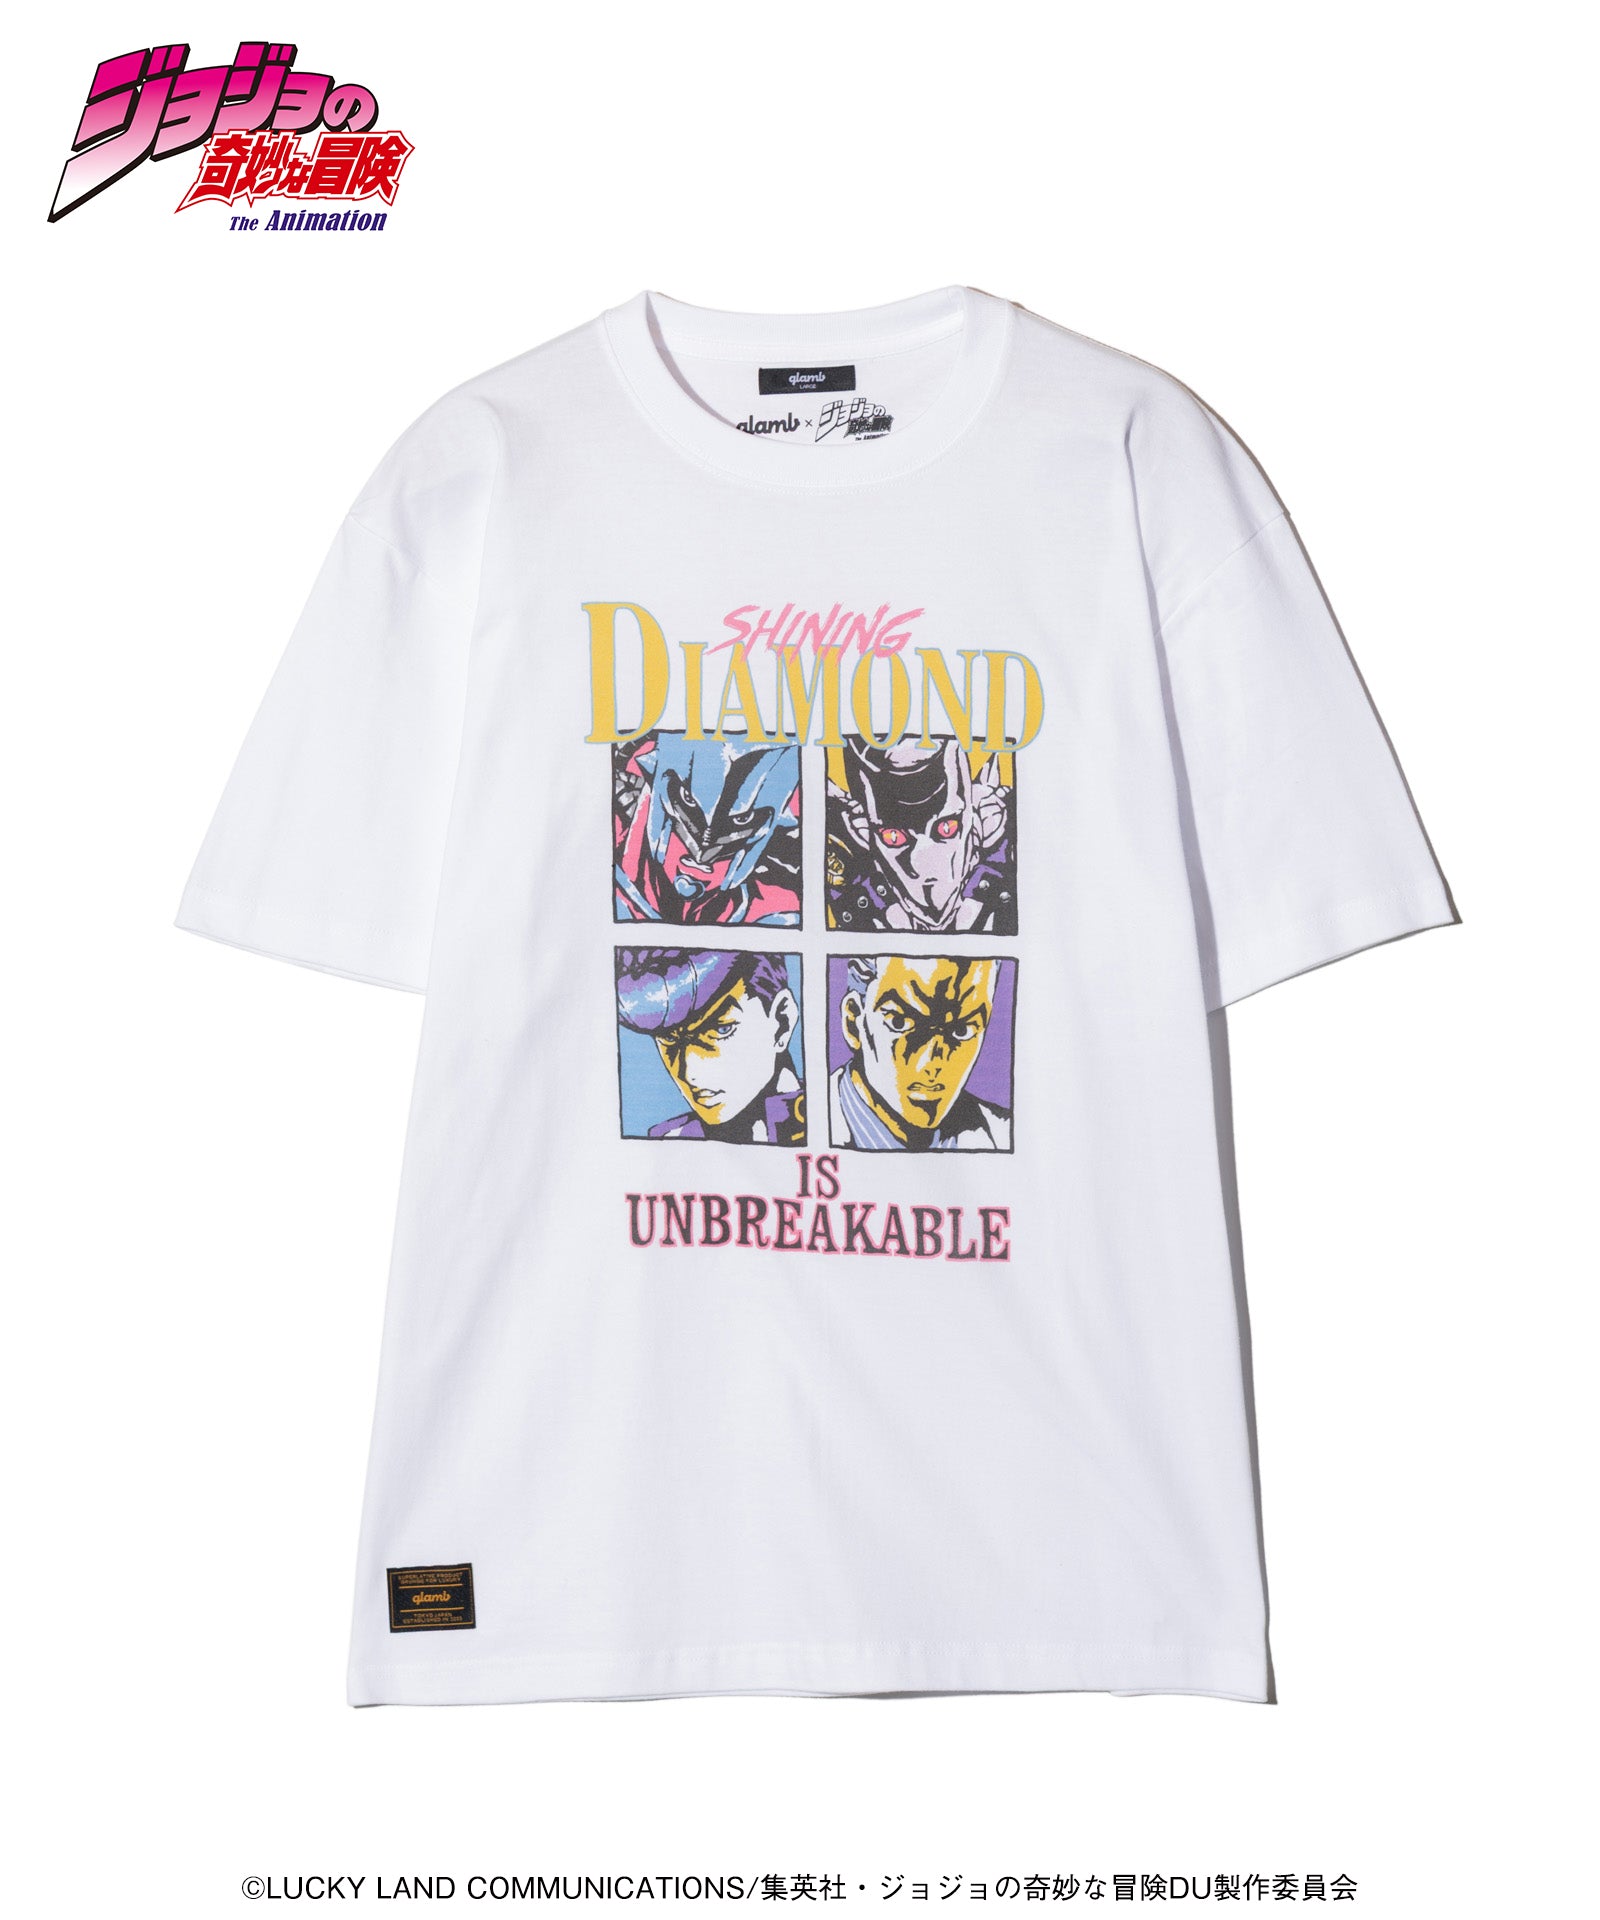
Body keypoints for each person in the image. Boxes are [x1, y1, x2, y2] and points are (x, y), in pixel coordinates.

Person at [617, 947, 804, 1144]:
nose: (690, 1073)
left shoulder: (826, 1117)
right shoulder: (671, 1140)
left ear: (782, 1023)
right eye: (669, 1038)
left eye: (722, 1030)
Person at [829, 954, 1010, 1151]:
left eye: (962, 1030)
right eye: (899, 1023)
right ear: (854, 1022)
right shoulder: (809, 1123)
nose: (931, 1064)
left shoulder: (1006, 1133)